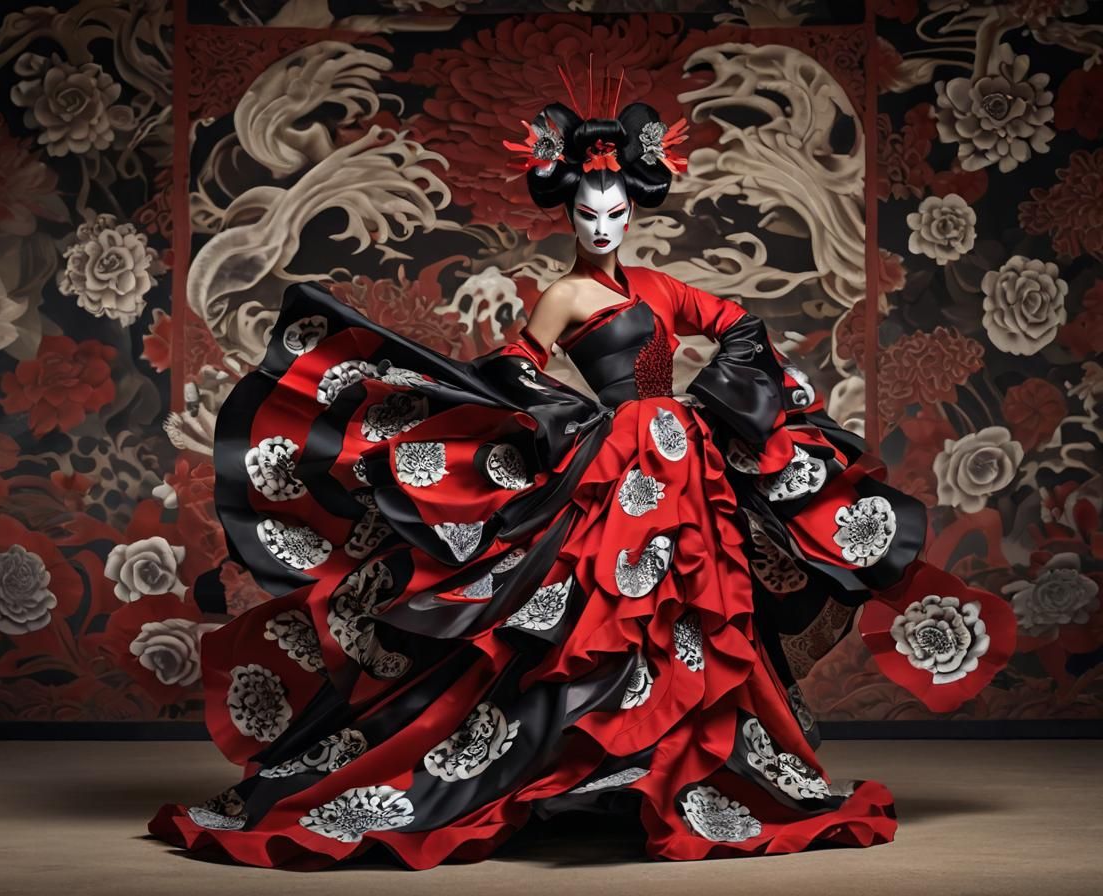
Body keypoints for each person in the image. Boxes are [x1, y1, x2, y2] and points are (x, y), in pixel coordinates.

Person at [147, 82, 1017, 870]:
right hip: (605, 462)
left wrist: (715, 402)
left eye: (613, 214)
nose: (601, 227)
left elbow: (741, 327)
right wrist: (565, 419)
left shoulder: (663, 291)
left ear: (632, 211)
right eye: (587, 215)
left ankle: (671, 773)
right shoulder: (563, 297)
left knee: (692, 613)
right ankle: (565, 765)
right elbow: (517, 368)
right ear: (570, 216)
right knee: (587, 615)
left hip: (683, 464)